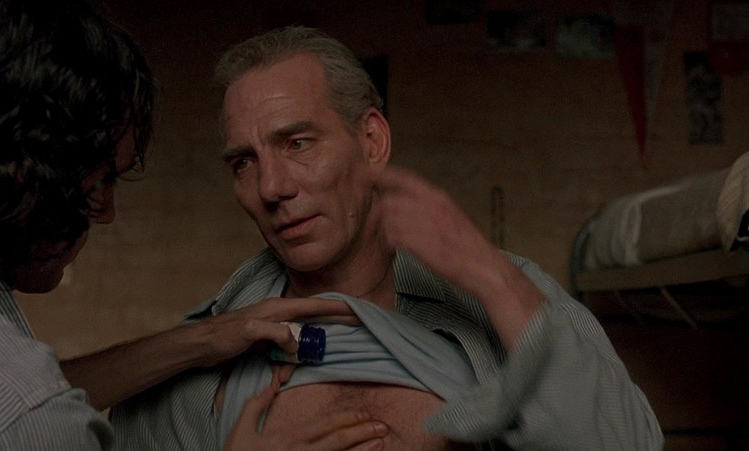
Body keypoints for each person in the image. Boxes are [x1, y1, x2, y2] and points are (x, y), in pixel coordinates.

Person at [110, 26, 664, 450]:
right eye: (244, 163)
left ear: (372, 141)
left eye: (298, 143)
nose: (272, 187)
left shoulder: (510, 299)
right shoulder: (200, 364)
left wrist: (492, 278)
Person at [0, 2, 389, 449]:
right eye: (101, 180)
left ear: (372, 141)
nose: (107, 212)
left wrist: (199, 341)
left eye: (298, 143)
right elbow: (23, 410)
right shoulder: (33, 418)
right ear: (25, 176)